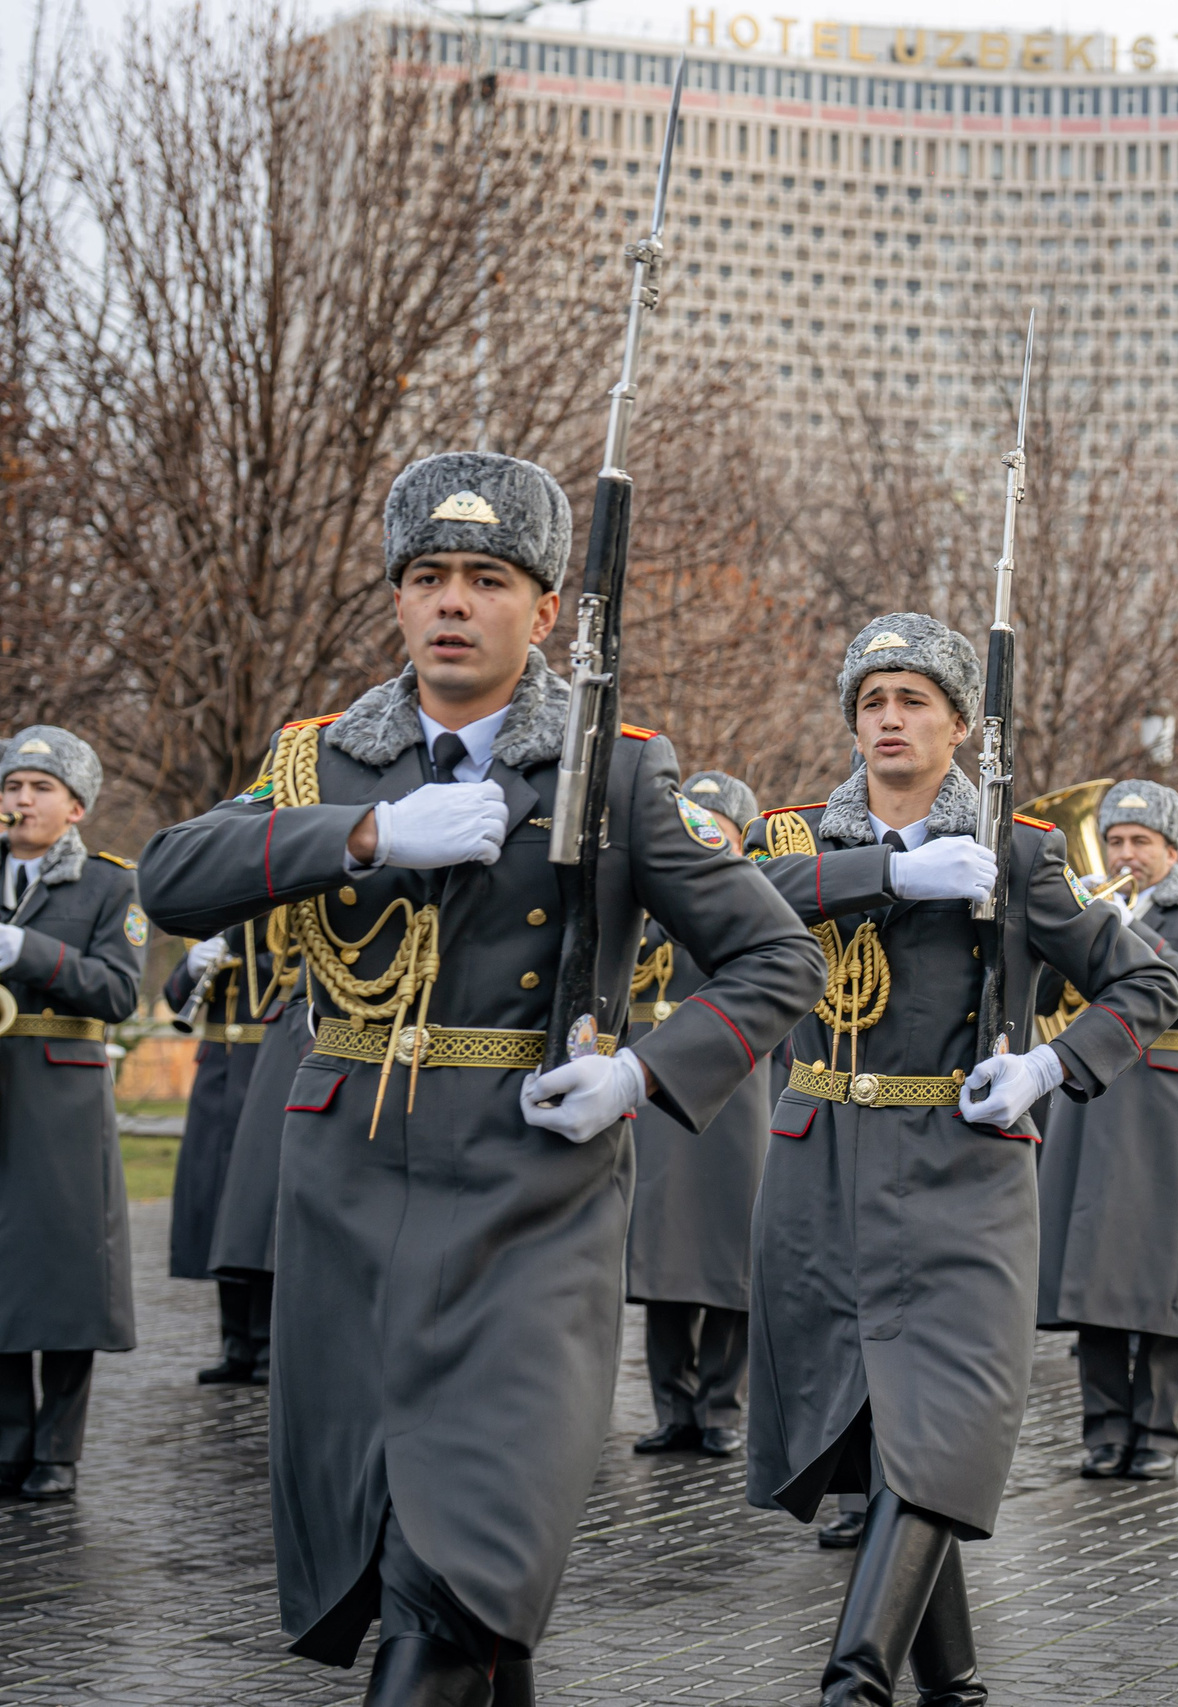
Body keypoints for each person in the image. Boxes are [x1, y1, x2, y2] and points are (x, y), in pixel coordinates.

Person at [139, 451, 825, 1707]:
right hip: (346, 1193)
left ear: (547, 610)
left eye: (489, 579)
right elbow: (173, 876)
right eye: (428, 577)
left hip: (529, 1205)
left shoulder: (613, 772)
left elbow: (777, 954)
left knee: (467, 1551)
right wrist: (365, 836)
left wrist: (641, 1076)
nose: (454, 602)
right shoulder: (323, 764)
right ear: (398, 600)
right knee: (399, 1539)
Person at [746, 612, 1178, 1707]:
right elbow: (729, 912)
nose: (889, 720)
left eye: (913, 702)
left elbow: (1146, 985)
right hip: (820, 1168)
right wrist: (889, 869)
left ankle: (855, 1678)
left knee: (946, 1421)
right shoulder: (798, 839)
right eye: (871, 702)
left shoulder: (1018, 848)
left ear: (958, 726)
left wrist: (1048, 1066)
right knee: (884, 1433)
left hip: (961, 1170)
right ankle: (957, 1687)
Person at [1035, 778, 1178, 1482]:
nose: (1125, 852)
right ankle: (1105, 1428)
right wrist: (1062, 928)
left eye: (1141, 841)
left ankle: (1159, 1429)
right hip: (1091, 1096)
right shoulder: (1087, 907)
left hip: (1164, 1101)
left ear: (1171, 848)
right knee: (1095, 1273)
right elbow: (1049, 996)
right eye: (1115, 839)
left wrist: (1118, 927)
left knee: (1163, 1270)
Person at [0, 726, 143, 1503]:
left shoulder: (108, 885)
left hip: (61, 1096)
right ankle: (7, 1440)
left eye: (41, 788)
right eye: (13, 785)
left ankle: (56, 1448)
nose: (22, 799)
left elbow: (119, 992)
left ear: (77, 807)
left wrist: (26, 950)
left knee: (62, 1274)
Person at [626, 769, 770, 1460]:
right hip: (656, 1094)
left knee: (726, 1261)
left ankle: (721, 1406)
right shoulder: (650, 905)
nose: (704, 836)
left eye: (719, 827)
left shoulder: (757, 901)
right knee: (664, 1259)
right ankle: (672, 1405)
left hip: (735, 1096)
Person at [165, 915, 287, 1385]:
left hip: (266, 1070)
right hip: (217, 1073)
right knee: (214, 1205)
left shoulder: (284, 924)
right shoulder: (219, 923)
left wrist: (251, 954)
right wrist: (192, 966)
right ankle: (234, 1345)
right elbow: (174, 1000)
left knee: (257, 1210)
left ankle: (266, 1347)